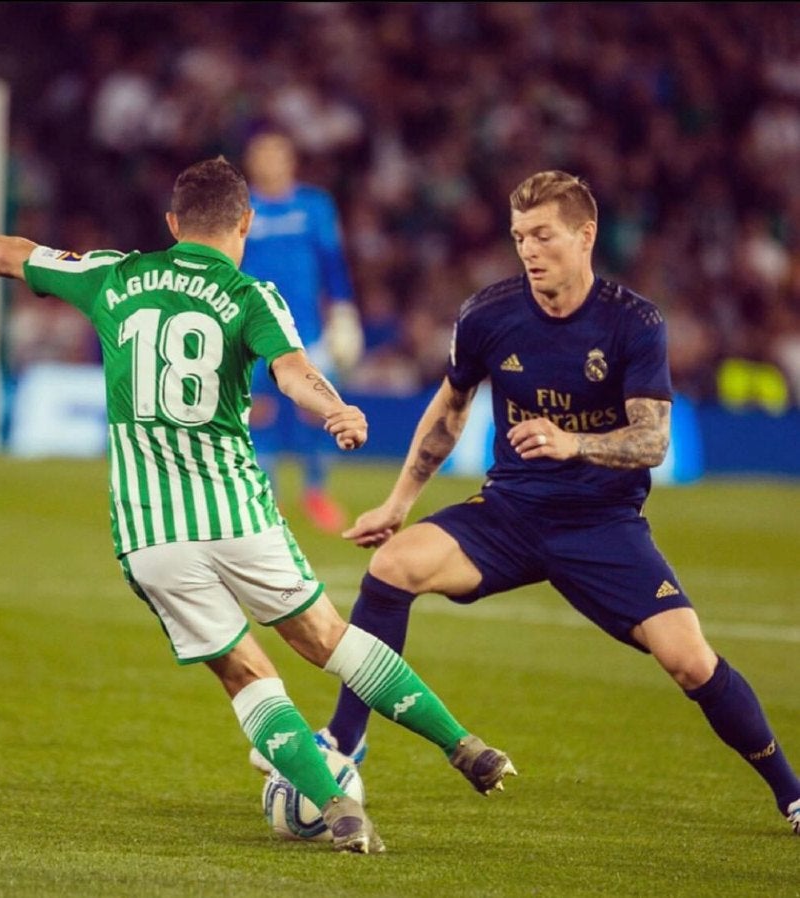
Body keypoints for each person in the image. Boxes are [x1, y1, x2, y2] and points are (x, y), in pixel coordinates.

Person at [0, 157, 516, 855]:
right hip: (237, 514)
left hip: (150, 531)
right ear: (245, 222)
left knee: (245, 674)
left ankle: (336, 805)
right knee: (328, 638)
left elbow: (16, 256)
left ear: (172, 225)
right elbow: (294, 375)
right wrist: (337, 409)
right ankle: (464, 745)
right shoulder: (253, 295)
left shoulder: (116, 274)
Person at [301, 170, 800, 836]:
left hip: (602, 525)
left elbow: (652, 440)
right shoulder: (489, 314)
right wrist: (399, 501)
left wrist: (573, 443)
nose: (529, 251)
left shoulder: (633, 322)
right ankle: (343, 739)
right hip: (510, 512)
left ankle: (791, 794)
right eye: (519, 238)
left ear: (585, 235)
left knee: (688, 660)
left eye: (543, 235)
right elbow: (450, 410)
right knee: (394, 566)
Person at [240, 126, 364, 533]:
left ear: (290, 161)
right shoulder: (242, 208)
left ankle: (315, 491)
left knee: (315, 410)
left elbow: (332, 262)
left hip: (305, 329)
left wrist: (343, 310)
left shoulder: (315, 207)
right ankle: (267, 496)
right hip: (252, 328)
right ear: (251, 163)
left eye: (276, 154)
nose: (269, 162)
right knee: (259, 412)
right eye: (262, 155)